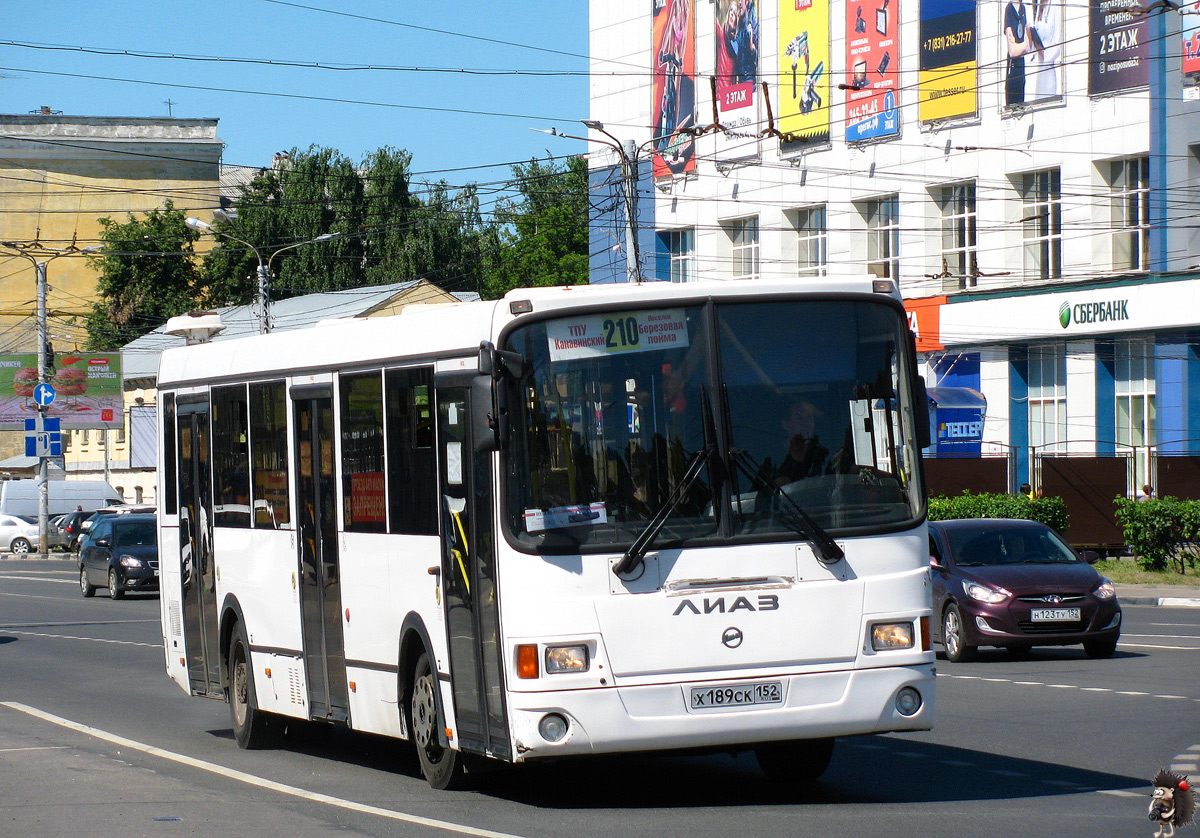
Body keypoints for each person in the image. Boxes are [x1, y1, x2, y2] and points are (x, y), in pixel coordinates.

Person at [773, 398, 829, 483]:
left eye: (809, 418)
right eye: (800, 418)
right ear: (786, 424)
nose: (807, 423)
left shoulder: (824, 456)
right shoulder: (773, 460)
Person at [1004, 0, 1032, 106]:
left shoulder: (1023, 8)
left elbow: (1028, 43)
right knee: (1013, 96)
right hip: (1013, 64)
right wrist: (1025, 45)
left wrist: (1025, 45)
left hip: (1021, 63)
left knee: (1021, 92)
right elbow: (1013, 51)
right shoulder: (1009, 9)